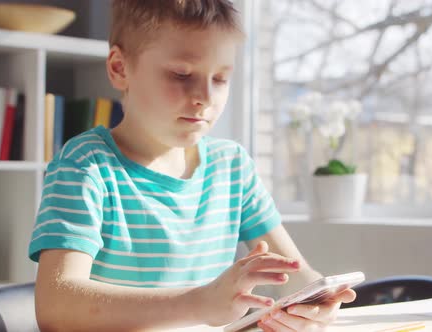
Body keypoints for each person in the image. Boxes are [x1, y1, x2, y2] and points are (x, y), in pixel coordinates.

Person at [28, 1, 356, 331]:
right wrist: (199, 303)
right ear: (119, 68)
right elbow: (56, 306)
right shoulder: (86, 165)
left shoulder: (231, 166)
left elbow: (297, 274)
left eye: (220, 78)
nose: (205, 96)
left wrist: (314, 305)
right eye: (181, 74)